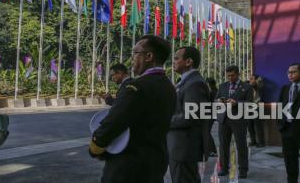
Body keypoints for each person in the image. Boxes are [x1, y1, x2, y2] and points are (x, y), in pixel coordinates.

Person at [89, 35, 176, 183]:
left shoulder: (137, 87)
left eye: (135, 53)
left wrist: (95, 147)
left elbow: (113, 123)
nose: (133, 58)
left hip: (129, 167)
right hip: (155, 163)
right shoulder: (168, 86)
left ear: (149, 56)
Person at [168, 46, 210, 183]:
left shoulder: (195, 83)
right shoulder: (184, 81)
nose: (173, 62)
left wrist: (164, 121)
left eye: (176, 58)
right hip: (179, 146)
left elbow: (189, 116)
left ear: (188, 62)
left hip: (184, 147)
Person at [215, 65, 252, 178]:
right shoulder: (223, 86)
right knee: (223, 146)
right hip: (224, 120)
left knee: (241, 146)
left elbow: (250, 104)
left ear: (238, 74)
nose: (230, 78)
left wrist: (237, 103)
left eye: (232, 75)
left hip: (239, 120)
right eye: (228, 76)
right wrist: (219, 101)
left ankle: (243, 170)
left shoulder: (246, 87)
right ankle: (224, 168)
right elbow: (215, 99)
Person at [248, 74, 265, 147]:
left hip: (258, 108)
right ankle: (253, 141)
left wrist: (258, 81)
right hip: (249, 108)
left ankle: (261, 142)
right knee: (250, 126)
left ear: (257, 80)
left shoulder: (260, 86)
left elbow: (259, 86)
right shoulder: (248, 87)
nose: (250, 80)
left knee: (258, 126)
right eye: (250, 79)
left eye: (252, 79)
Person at [205, 77, 218, 156]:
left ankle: (212, 150)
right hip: (211, 114)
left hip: (209, 114)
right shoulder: (216, 91)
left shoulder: (211, 92)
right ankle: (211, 150)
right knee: (207, 131)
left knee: (206, 131)